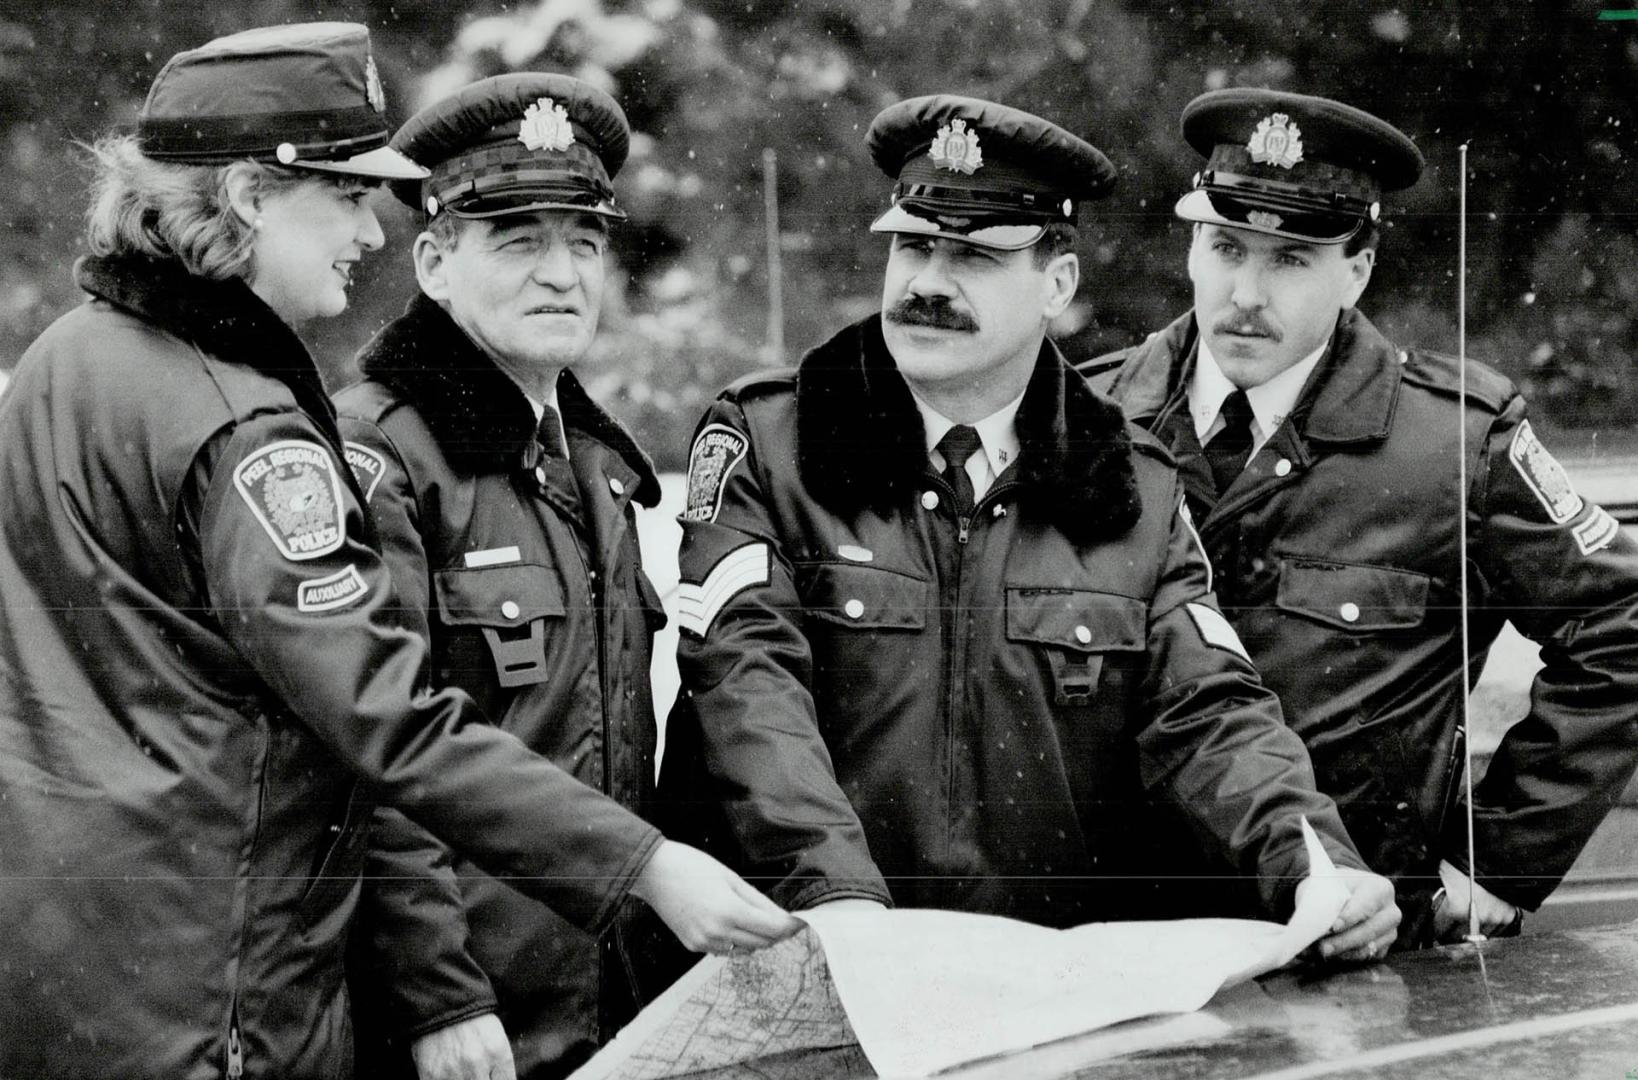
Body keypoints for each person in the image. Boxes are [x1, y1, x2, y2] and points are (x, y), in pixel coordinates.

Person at [0, 24, 795, 1080]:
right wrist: (642, 868)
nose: (369, 234)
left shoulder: (67, 357)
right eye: (344, 195)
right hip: (216, 1001)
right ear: (248, 198)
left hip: (68, 971)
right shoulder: (249, 434)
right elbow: (386, 718)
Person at [656, 94, 1399, 958]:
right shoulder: (773, 441)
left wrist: (1316, 866)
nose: (928, 283)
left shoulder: (1128, 484)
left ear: (1058, 285)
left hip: (1031, 989)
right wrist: (840, 902)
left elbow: (1211, 713)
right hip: (801, 962)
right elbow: (747, 688)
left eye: (972, 255)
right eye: (913, 245)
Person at [1081, 88, 1638, 948]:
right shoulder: (1086, 423)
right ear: (1192, 245)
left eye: (1293, 259)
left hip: (1360, 954)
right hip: (1119, 948)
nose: (1246, 294)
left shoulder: (1452, 445)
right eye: (1226, 246)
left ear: (1359, 270)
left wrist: (1500, 857)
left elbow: (1622, 624)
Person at [334, 74, 675, 1080]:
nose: (562, 274)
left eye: (583, 242)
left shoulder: (594, 466)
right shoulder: (379, 456)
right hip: (461, 1027)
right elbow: (373, 751)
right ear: (435, 263)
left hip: (601, 1008)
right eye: (519, 242)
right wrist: (435, 991)